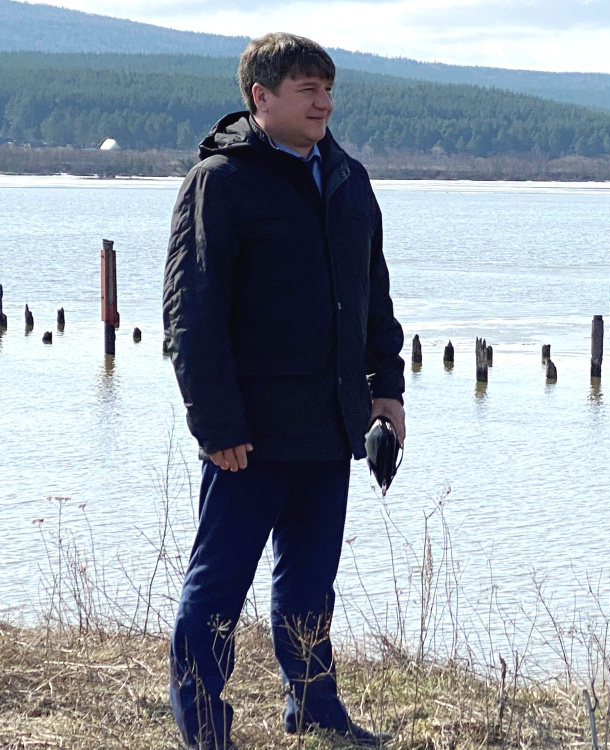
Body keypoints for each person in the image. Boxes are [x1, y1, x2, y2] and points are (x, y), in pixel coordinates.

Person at [162, 32, 404, 749]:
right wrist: (216, 425)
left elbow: (374, 296)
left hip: (332, 423)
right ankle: (204, 727)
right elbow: (191, 315)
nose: (323, 103)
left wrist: (386, 391)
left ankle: (315, 710)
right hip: (250, 432)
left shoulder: (348, 178)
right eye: (307, 90)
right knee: (218, 588)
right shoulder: (221, 181)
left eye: (328, 89)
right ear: (260, 97)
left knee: (310, 587)